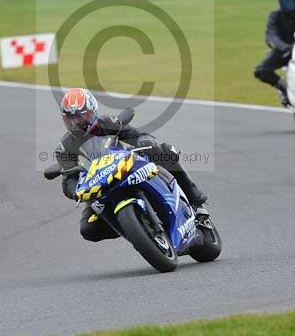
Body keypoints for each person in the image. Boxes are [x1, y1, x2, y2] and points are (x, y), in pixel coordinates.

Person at [53, 88, 208, 243]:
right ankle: (137, 229)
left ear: (92, 111)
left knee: (164, 150)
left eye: (81, 115)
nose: (76, 122)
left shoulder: (108, 123)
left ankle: (193, 196)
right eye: (70, 118)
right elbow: (68, 179)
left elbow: (136, 135)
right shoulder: (64, 148)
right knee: (88, 229)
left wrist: (144, 140)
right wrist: (75, 191)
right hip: (98, 188)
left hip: (128, 167)